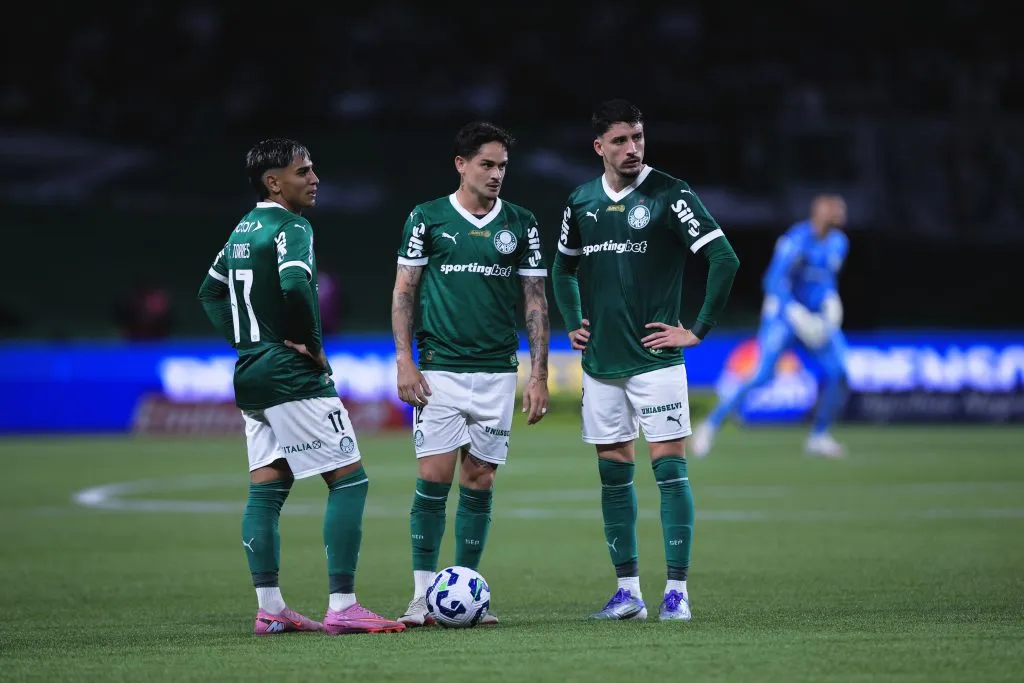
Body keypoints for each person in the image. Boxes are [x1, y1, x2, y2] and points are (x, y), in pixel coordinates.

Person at [197, 138, 404, 636]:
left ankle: (271, 608)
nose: (314, 179)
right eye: (303, 171)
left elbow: (209, 291)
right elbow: (294, 286)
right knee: (349, 480)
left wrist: (247, 341)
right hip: (291, 374)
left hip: (252, 371)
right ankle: (343, 605)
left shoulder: (243, 230)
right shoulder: (293, 227)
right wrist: (313, 347)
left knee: (268, 491)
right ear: (274, 182)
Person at [551, 99, 740, 622]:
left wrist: (697, 329)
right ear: (599, 147)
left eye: (637, 137)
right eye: (620, 140)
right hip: (601, 365)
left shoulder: (670, 194)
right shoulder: (581, 201)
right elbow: (561, 269)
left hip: (656, 363)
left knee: (670, 472)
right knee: (613, 476)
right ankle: (628, 592)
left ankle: (676, 592)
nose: (632, 148)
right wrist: (573, 319)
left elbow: (724, 258)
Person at [390, 121, 550, 627]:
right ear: (461, 164)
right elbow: (404, 291)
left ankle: (466, 592)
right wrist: (405, 359)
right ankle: (421, 596)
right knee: (433, 480)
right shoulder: (428, 217)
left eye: (503, 165)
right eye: (487, 164)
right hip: (439, 372)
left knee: (479, 480)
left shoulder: (521, 222)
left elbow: (535, 301)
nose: (497, 174)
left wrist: (539, 373)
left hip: (498, 372)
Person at [692, 195, 850, 458]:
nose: (841, 219)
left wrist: (831, 300)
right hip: (784, 319)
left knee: (840, 373)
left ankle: (819, 436)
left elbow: (825, 281)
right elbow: (773, 281)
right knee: (761, 375)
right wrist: (796, 313)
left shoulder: (839, 243)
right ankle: (709, 426)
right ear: (820, 214)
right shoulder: (796, 240)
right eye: (836, 213)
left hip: (816, 320)